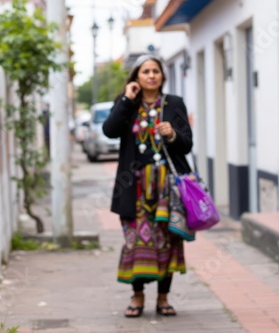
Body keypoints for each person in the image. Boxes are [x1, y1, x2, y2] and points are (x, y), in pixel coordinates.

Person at [103, 54, 193, 318]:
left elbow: (187, 144)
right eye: (145, 72)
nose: (151, 75)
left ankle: (163, 298)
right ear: (136, 78)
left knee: (168, 241)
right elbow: (110, 130)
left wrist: (173, 134)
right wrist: (127, 99)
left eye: (155, 71)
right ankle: (138, 296)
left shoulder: (173, 104)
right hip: (134, 188)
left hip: (167, 188)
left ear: (162, 76)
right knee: (136, 241)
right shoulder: (127, 104)